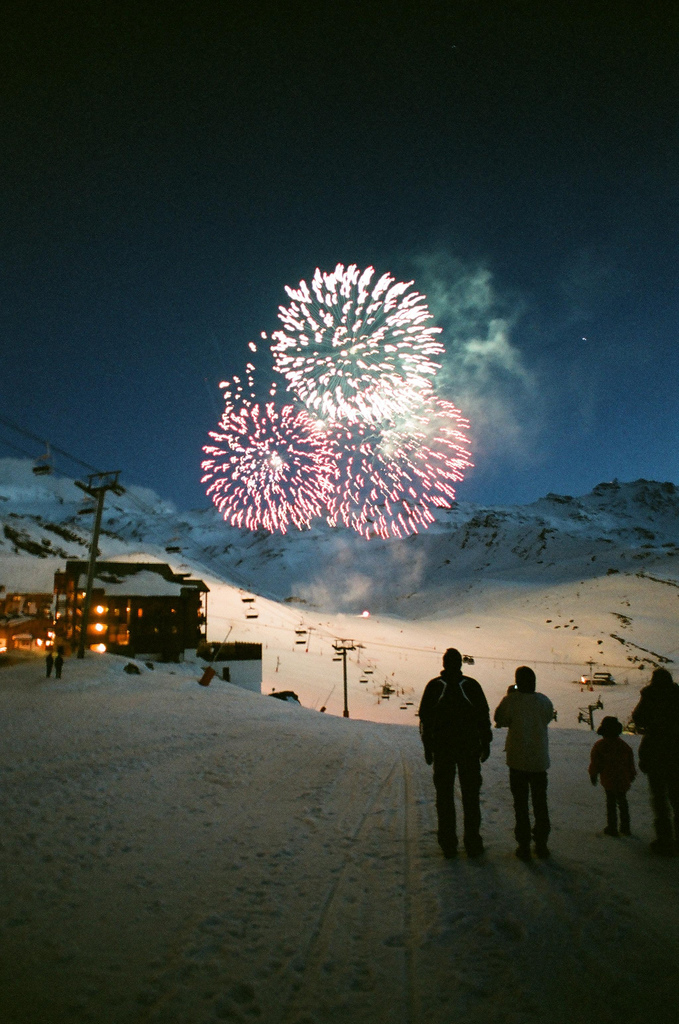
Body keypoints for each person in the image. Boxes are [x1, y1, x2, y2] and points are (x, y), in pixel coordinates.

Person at [418, 648, 492, 858]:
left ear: (444, 664)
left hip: (443, 750)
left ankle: (448, 843)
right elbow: (483, 717)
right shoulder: (471, 685)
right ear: (460, 664)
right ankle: (472, 842)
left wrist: (427, 747)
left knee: (444, 797)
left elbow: (425, 720)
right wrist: (485, 743)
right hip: (468, 749)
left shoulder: (435, 686)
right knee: (470, 796)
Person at [494, 666, 554, 860]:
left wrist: (510, 696)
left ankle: (524, 845)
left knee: (520, 805)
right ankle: (542, 844)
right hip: (539, 761)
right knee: (540, 804)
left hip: (517, 761)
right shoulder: (544, 701)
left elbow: (500, 719)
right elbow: (547, 718)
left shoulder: (511, 701)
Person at [632, 668, 679, 855]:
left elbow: (638, 718)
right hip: (676, 753)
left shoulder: (650, 696)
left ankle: (664, 839)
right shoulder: (676, 695)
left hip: (656, 754)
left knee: (660, 799)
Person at [588, 716, 636, 837]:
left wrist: (593, 775)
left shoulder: (600, 746)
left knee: (611, 804)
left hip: (608, 780)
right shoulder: (624, 746)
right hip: (623, 779)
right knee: (623, 802)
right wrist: (631, 775)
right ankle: (625, 827)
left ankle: (612, 827)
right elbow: (630, 763)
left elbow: (595, 763)